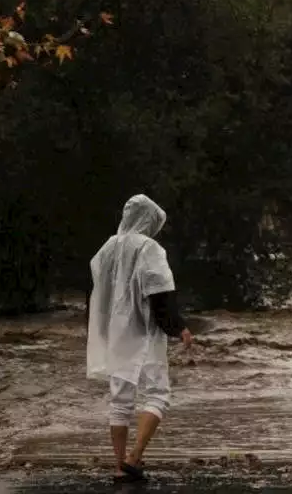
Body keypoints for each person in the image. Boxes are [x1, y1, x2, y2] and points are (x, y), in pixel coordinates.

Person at [87, 194, 194, 483]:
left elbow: (99, 294)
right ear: (149, 220)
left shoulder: (107, 247)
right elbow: (159, 292)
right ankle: (135, 457)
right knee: (158, 393)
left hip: (115, 333)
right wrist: (178, 327)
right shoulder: (150, 248)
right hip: (144, 331)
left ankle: (120, 466)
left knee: (120, 400)